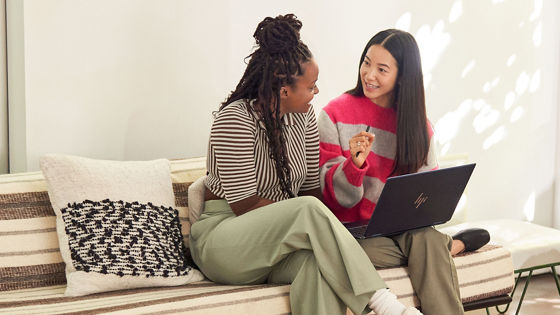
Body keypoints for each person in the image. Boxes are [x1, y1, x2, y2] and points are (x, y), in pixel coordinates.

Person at [189, 15, 423, 315]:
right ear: (284, 90)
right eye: (310, 87)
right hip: (225, 243)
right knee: (306, 212)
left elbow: (312, 193)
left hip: (276, 245)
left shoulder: (305, 118)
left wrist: (323, 234)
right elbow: (245, 206)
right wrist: (308, 224)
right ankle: (385, 305)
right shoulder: (235, 120)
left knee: (320, 265)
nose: (316, 94)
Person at [318, 29, 490, 315]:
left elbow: (428, 196)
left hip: (406, 231)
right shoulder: (334, 114)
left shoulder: (418, 126)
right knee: (423, 246)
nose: (369, 74)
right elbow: (334, 199)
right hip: (355, 235)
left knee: (426, 237)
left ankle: (445, 244)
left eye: (382, 69)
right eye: (366, 62)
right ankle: (453, 245)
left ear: (403, 76)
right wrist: (354, 166)